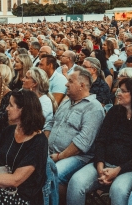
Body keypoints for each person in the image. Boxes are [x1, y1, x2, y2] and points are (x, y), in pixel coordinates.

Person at [44, 67, 105, 197]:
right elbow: (51, 123)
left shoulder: (94, 107)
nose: (66, 84)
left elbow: (83, 142)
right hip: (52, 151)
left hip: (77, 157)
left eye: (70, 81)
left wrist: (60, 156)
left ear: (81, 85)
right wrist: (44, 145)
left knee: (54, 174)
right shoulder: (66, 102)